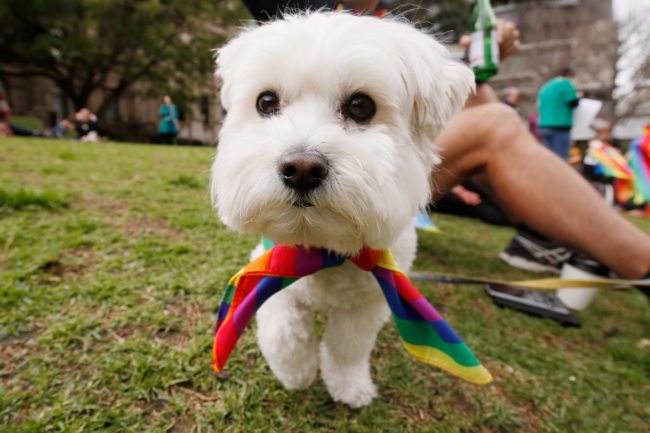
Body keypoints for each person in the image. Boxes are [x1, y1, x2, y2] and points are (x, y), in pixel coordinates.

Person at [236, 0, 650, 285]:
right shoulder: (298, 14)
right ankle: (638, 261)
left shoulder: (397, 24)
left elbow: (454, 104)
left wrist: (479, 64)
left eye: (359, 107)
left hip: (388, 173)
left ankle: (535, 226)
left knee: (494, 115)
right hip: (349, 176)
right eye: (270, 104)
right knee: (498, 124)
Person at [537, 67, 580, 160]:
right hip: (560, 127)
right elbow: (573, 103)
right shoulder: (565, 83)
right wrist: (579, 97)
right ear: (568, 75)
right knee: (561, 159)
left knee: (549, 159)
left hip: (544, 126)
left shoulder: (546, 86)